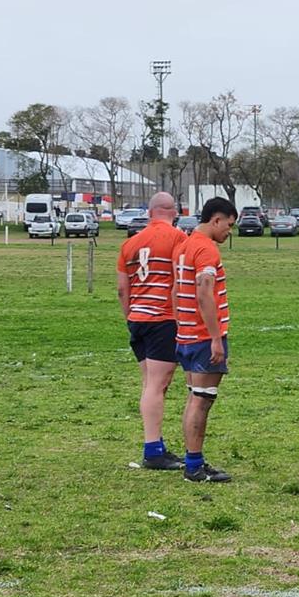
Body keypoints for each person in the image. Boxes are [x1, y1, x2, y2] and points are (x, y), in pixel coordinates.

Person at [172, 197, 241, 483]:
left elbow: (176, 292)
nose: (230, 231)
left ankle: (193, 460)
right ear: (216, 219)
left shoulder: (184, 245)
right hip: (202, 338)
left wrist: (182, 324)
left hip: (187, 335)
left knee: (194, 398)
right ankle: (194, 467)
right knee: (202, 401)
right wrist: (215, 338)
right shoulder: (205, 249)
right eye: (229, 224)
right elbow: (204, 291)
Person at [116, 192, 185, 470]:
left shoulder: (129, 244)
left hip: (137, 318)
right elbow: (179, 282)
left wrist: (130, 317)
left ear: (150, 213)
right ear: (174, 212)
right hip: (162, 319)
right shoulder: (179, 239)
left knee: (150, 385)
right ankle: (153, 450)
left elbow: (122, 289)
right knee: (158, 385)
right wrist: (181, 319)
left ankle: (154, 442)